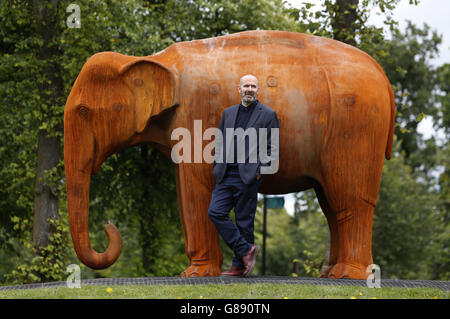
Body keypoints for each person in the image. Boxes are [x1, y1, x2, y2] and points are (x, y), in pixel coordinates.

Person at [208, 74, 279, 277]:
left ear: (258, 91)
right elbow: (220, 143)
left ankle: (239, 266)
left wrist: (259, 172)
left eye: (253, 86)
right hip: (225, 174)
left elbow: (272, 148)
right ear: (238, 89)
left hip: (248, 176)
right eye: (246, 85)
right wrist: (217, 164)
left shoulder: (268, 115)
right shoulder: (228, 113)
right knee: (215, 212)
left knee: (244, 222)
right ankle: (246, 250)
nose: (249, 89)